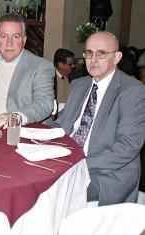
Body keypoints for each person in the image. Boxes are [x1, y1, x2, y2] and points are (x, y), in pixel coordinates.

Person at [52, 32, 145, 205]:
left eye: (101, 53)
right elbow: (60, 125)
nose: (93, 59)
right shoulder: (79, 85)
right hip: (66, 160)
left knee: (53, 192)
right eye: (88, 53)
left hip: (105, 173)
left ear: (116, 57)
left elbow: (127, 147)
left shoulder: (133, 91)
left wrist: (77, 164)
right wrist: (35, 138)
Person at [0, 14, 54, 128]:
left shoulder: (41, 67)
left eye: (15, 37)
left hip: (20, 130)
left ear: (24, 40)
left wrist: (15, 117)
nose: (9, 43)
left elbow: (44, 103)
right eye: (4, 36)